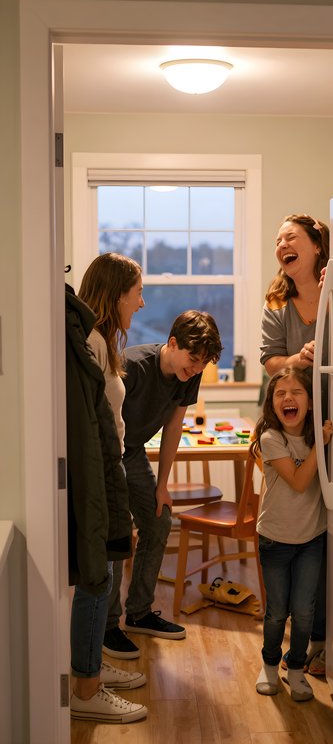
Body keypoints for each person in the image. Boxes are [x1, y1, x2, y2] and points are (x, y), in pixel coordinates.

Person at [103, 309, 223, 658]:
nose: (197, 368)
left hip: (133, 451)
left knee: (158, 521)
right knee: (117, 533)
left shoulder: (190, 375)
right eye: (193, 359)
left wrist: (163, 485)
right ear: (172, 343)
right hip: (108, 452)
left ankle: (139, 613)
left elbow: (174, 427)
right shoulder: (133, 365)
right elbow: (104, 420)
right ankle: (108, 626)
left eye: (203, 363)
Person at [68, 252, 147, 723]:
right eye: (137, 292)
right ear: (117, 294)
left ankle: (92, 666)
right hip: (98, 471)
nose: (141, 302)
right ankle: (85, 687)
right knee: (98, 579)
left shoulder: (102, 342)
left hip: (107, 468)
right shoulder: (93, 342)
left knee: (111, 572)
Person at [260, 212, 329, 677]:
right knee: (301, 515)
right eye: (278, 240)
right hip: (294, 422)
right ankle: (296, 647)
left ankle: (320, 642)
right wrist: (298, 359)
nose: (282, 245)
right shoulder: (277, 303)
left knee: (326, 536)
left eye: (291, 237)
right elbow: (270, 363)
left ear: (316, 245)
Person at [251, 367, 333, 701]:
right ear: (272, 404)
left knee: (304, 612)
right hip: (275, 539)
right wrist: (321, 445)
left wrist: (322, 441)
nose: (288, 398)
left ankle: (296, 669)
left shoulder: (317, 437)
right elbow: (300, 483)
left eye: (297, 392)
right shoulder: (272, 439)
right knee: (276, 613)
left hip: (311, 539)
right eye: (280, 393)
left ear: (310, 402)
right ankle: (270, 666)